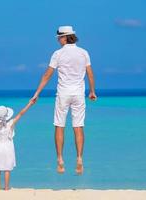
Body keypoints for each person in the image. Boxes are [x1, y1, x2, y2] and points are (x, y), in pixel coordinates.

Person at [30, 26, 97, 174]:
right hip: (78, 94)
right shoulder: (83, 52)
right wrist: (92, 91)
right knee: (78, 126)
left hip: (63, 94)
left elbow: (47, 74)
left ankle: (60, 159)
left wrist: (37, 93)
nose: (58, 41)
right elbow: (90, 73)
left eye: (59, 38)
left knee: (59, 125)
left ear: (65, 37)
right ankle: (79, 158)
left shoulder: (58, 54)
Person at [0, 101, 33, 190]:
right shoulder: (10, 124)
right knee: (7, 169)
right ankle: (6, 187)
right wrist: (29, 104)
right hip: (8, 148)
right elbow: (21, 114)